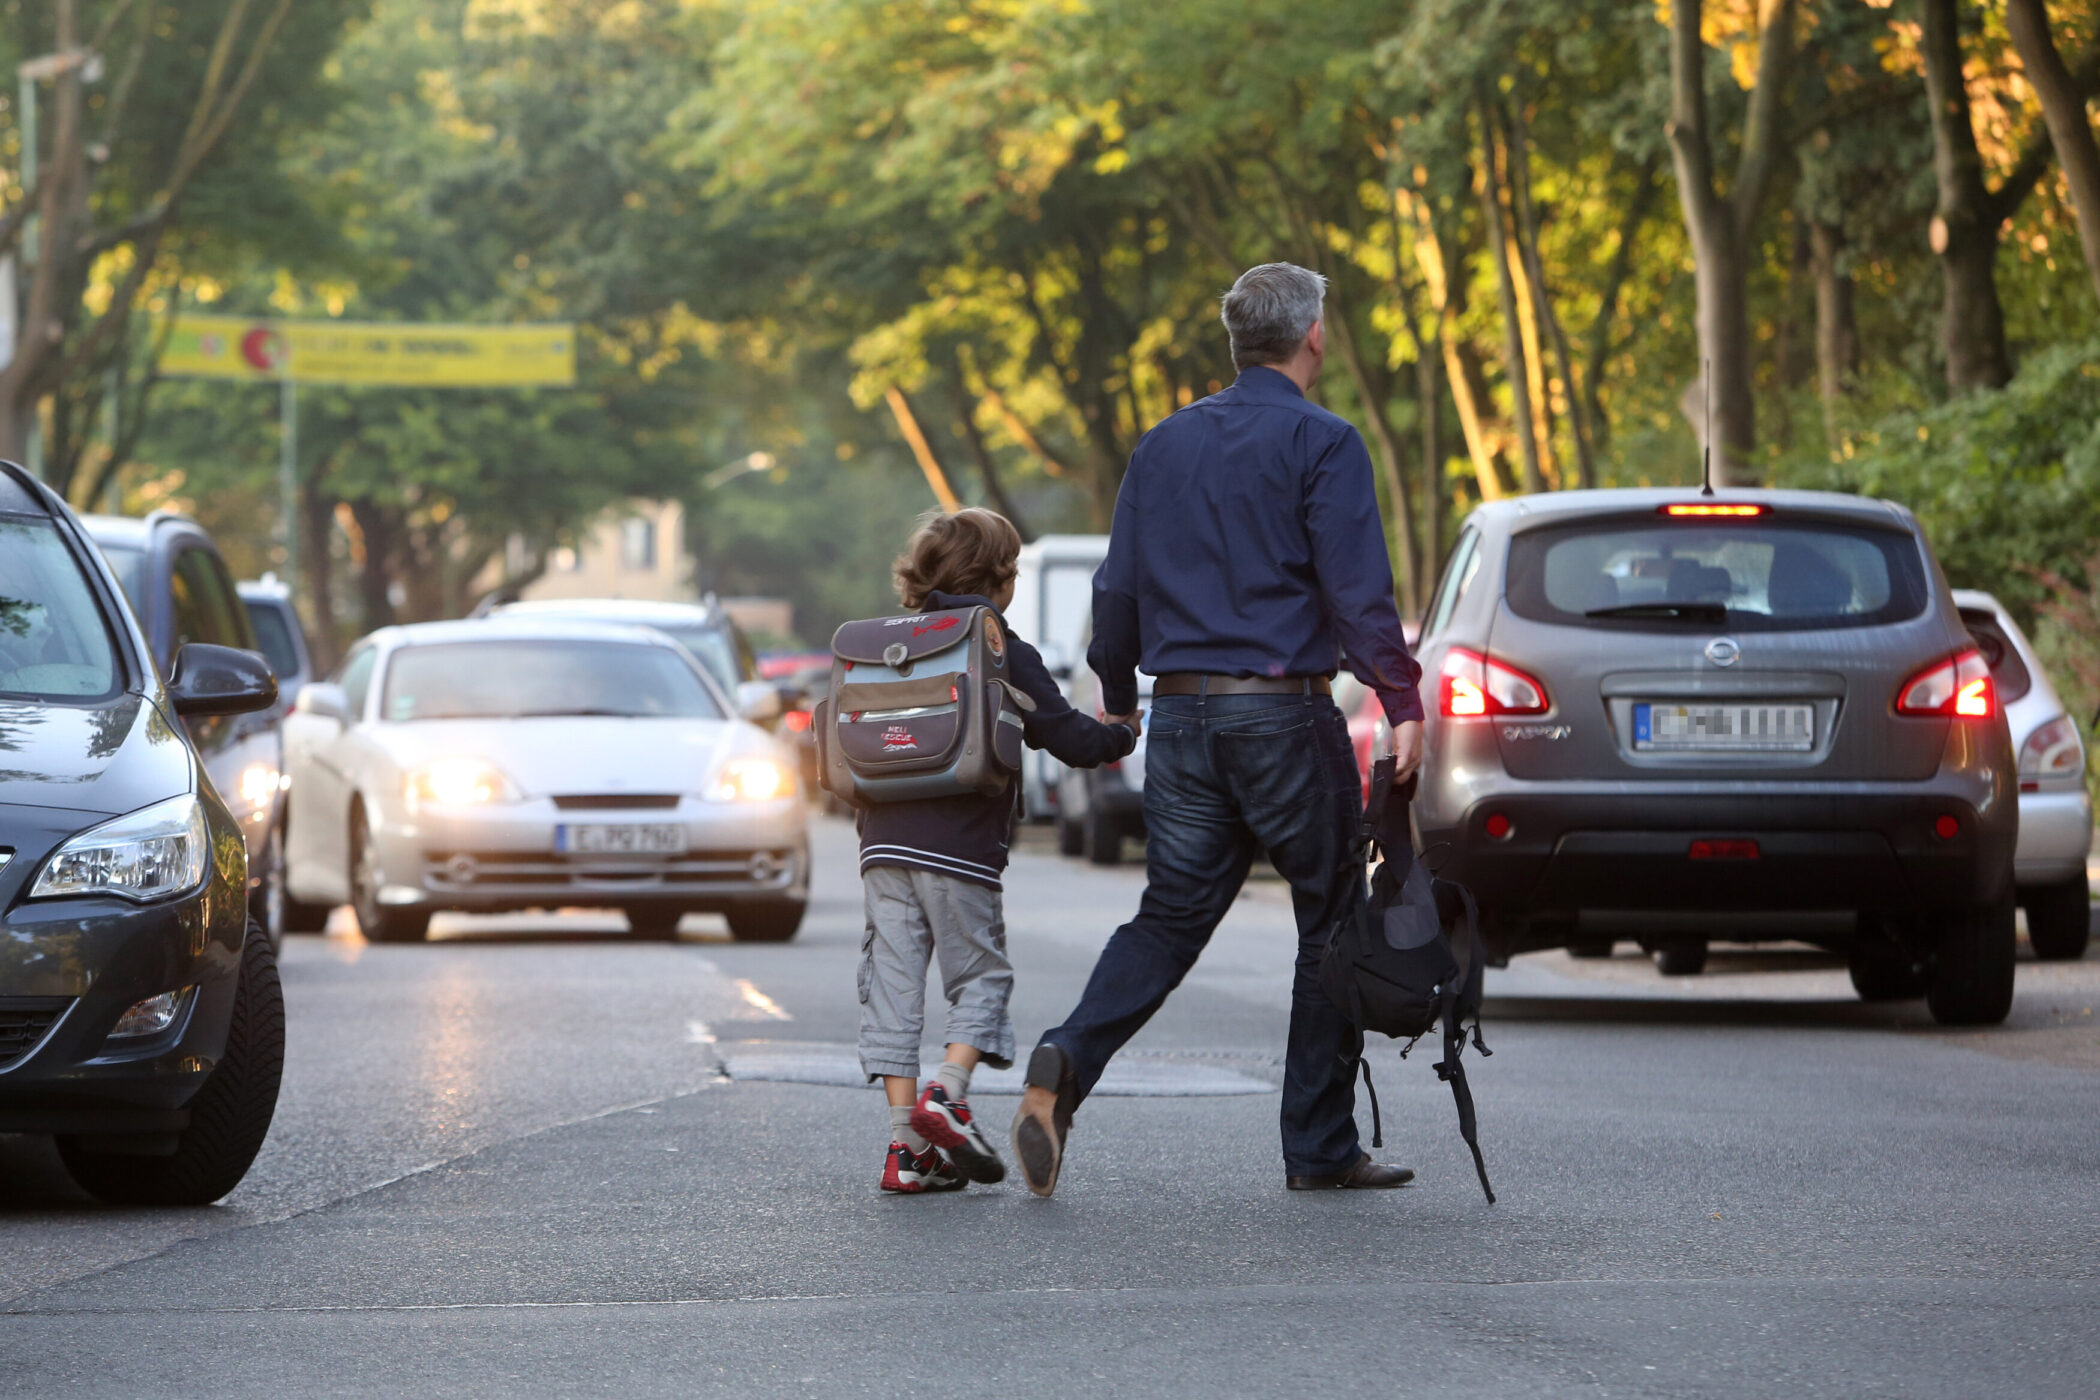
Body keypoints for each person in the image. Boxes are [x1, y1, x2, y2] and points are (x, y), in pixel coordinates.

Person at [1009, 262, 1428, 1197]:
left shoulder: (1163, 445)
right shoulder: (1326, 441)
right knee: (1331, 919)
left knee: (1169, 916)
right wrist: (1401, 702)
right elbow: (1358, 593)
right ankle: (1319, 1146)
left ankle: (1067, 1058)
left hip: (1183, 717)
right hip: (1283, 716)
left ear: (1238, 341)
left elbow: (1117, 588)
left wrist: (1119, 692)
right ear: (1314, 336)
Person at [857, 507, 1139, 1193]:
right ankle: (948, 1094)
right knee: (979, 978)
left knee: (893, 988)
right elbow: (1068, 738)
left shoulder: (887, 644)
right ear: (1001, 579)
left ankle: (907, 1151)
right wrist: (1121, 732)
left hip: (881, 845)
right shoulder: (996, 646)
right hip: (960, 849)